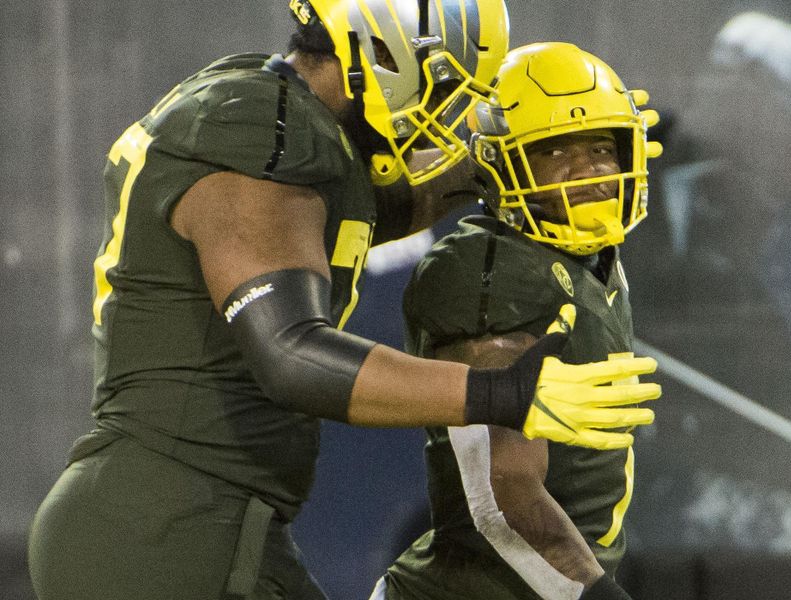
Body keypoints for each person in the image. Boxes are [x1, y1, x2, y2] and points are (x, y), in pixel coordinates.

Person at [27, 1, 660, 597]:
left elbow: (363, 215)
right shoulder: (255, 124)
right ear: (383, 54)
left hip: (204, 523)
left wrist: (519, 157)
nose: (448, 112)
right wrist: (507, 394)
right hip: (160, 528)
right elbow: (289, 352)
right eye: (446, 84)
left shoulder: (278, 119)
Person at [372, 42, 664, 600]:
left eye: (603, 147)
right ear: (502, 164)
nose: (590, 172)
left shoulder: (593, 260)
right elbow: (500, 493)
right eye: (556, 152)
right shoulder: (488, 269)